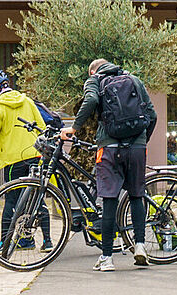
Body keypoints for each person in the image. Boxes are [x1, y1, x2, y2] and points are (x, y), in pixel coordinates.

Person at [61, 58, 157, 273]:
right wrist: (141, 141)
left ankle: (106, 258)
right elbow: (152, 115)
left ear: (94, 70)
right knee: (136, 195)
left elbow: (91, 101)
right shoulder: (134, 80)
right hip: (137, 147)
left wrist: (74, 128)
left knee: (109, 199)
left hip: (110, 147)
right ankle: (140, 246)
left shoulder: (95, 80)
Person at [0, 70, 50, 250]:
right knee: (36, 197)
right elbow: (41, 127)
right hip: (34, 156)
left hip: (13, 161)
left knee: (11, 201)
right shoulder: (27, 100)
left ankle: (5, 241)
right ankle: (46, 241)